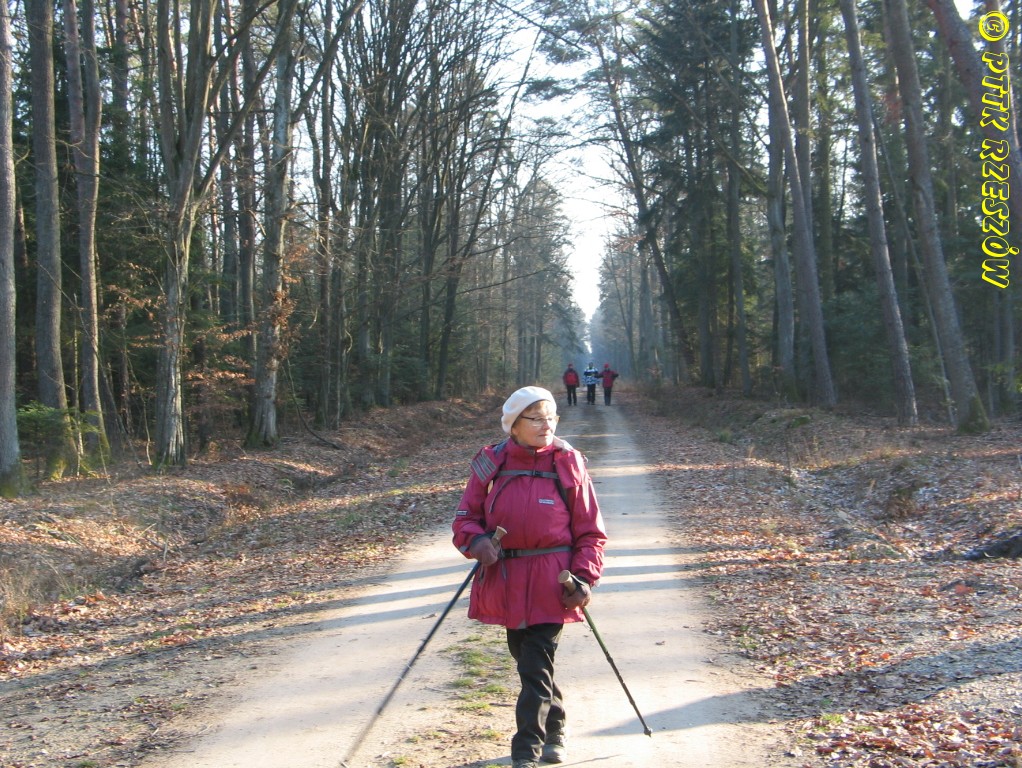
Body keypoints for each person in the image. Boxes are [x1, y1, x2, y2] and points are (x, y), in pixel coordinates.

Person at [452, 386, 607, 768]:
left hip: (553, 581)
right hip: (506, 578)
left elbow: (591, 532)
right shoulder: (491, 463)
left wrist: (584, 577)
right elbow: (465, 518)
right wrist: (477, 541)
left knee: (535, 662)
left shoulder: (568, 463)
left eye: (551, 417)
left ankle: (527, 752)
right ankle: (555, 728)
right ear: (514, 425)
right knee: (529, 661)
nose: (546, 425)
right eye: (536, 418)